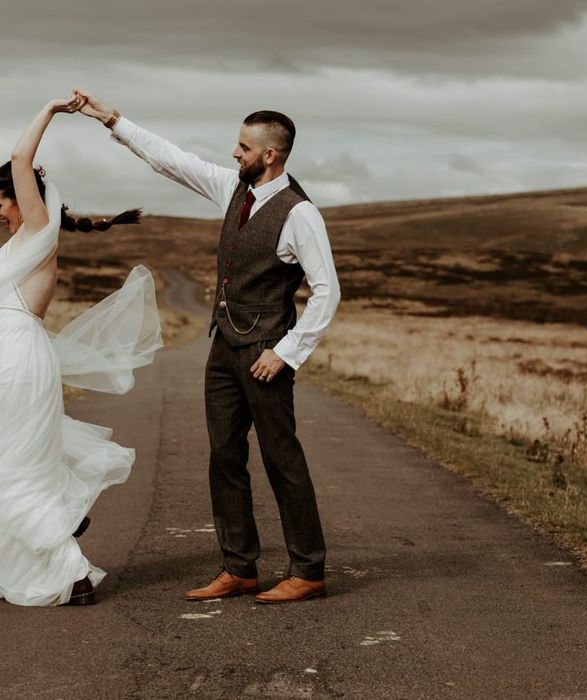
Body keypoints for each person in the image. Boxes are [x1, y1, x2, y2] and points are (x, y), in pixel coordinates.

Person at [75, 89, 340, 604]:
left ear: (270, 155)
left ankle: (308, 570)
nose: (233, 154)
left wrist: (286, 352)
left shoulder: (299, 213)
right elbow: (172, 161)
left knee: (281, 458)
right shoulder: (232, 189)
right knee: (223, 455)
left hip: (266, 353)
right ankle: (239, 567)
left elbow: (327, 289)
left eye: (243, 147)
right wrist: (111, 119)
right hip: (223, 348)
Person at [0, 96, 163, 606]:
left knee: (18, 469)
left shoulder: (37, 233)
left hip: (16, 361)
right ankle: (40, 565)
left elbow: (20, 159)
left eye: (1, 198)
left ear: (25, 200)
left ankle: (70, 569)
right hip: (14, 358)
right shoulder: (17, 248)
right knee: (18, 465)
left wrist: (49, 109)